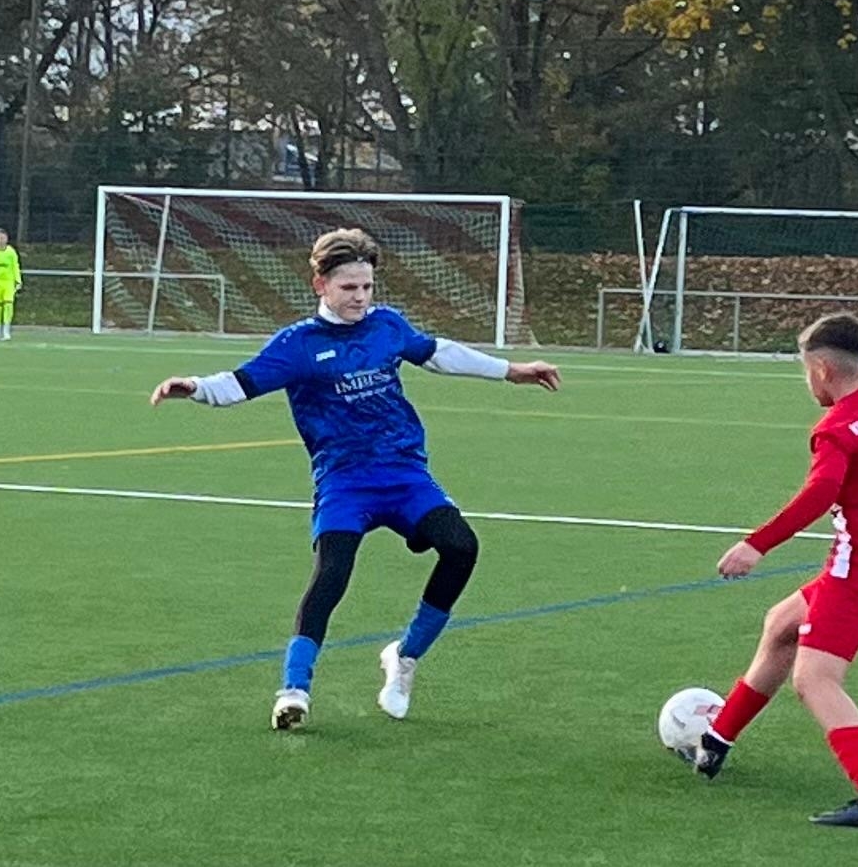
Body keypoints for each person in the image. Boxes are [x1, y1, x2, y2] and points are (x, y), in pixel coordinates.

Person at [149, 228, 561, 729]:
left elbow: (438, 352)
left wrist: (512, 370)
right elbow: (241, 383)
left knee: (461, 547)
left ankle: (404, 658)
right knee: (331, 576)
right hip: (344, 483)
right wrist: (193, 386)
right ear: (320, 284)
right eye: (349, 287)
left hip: (404, 474)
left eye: (367, 286)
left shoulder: (387, 326)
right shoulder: (298, 344)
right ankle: (294, 690)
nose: (361, 297)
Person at [683, 313, 858, 830]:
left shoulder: (835, 429)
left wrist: (755, 545)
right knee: (781, 624)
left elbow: (821, 492)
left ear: (820, 370)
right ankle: (716, 740)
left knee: (814, 678)